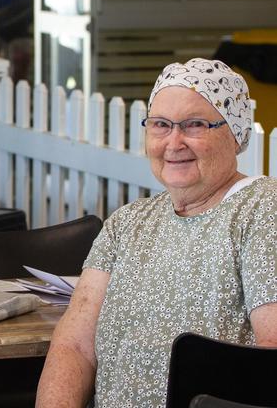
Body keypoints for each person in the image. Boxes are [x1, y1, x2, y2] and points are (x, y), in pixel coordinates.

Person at [36, 58, 277, 408]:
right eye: (161, 125)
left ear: (235, 133)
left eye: (195, 125)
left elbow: (270, 357)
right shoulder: (127, 223)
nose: (174, 142)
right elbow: (75, 346)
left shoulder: (263, 209)